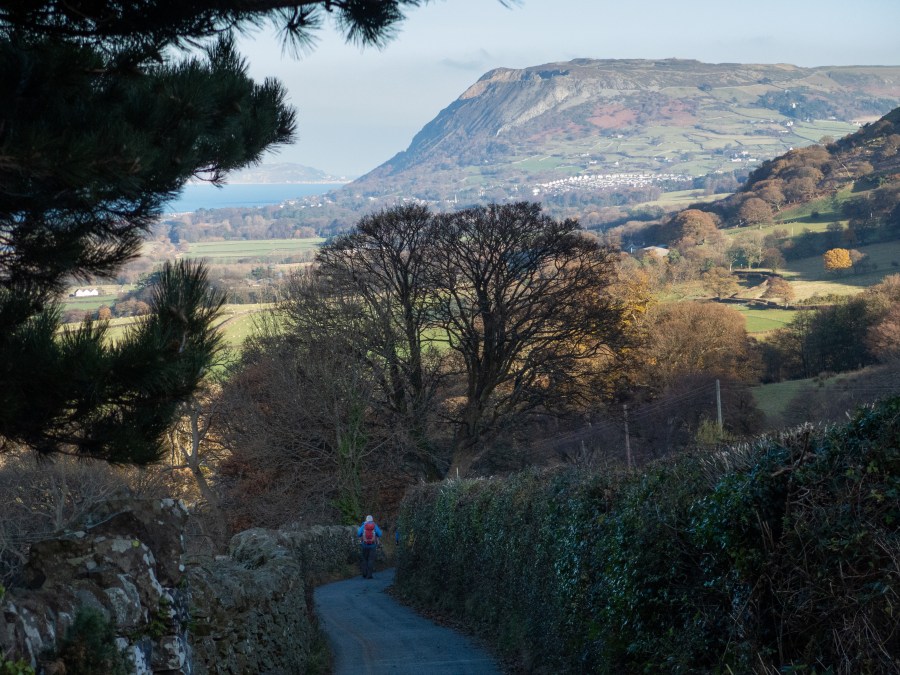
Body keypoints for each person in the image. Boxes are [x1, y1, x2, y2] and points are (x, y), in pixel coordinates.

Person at [357, 515, 382, 579]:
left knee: (364, 559)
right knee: (370, 560)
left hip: (364, 545)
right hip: (372, 545)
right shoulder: (374, 526)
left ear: (366, 520)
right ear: (372, 520)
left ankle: (364, 574)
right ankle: (369, 575)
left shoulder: (363, 526)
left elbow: (358, 533)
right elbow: (380, 534)